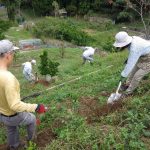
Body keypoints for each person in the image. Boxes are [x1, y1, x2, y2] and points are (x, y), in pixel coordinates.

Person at [0, 40, 46, 150]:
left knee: (11, 129)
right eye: (13, 53)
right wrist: (36, 107)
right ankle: (31, 142)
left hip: (2, 114)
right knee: (32, 119)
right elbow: (15, 105)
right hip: (13, 114)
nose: (13, 56)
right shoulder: (9, 78)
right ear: (8, 55)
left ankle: (13, 146)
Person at [113, 31, 150, 96]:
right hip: (143, 56)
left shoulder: (135, 48)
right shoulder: (133, 39)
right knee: (132, 72)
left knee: (137, 76)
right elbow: (134, 54)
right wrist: (128, 59)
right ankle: (127, 85)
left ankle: (128, 93)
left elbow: (130, 64)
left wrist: (123, 75)